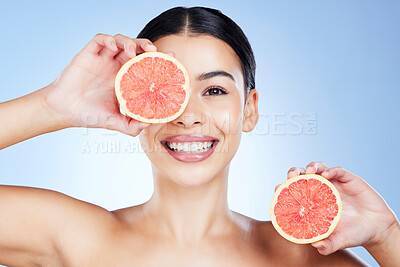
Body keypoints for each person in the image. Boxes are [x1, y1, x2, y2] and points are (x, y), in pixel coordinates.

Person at [0, 6, 398, 266]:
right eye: (167, 92)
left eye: (214, 91)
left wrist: (386, 237)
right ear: (132, 100)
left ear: (250, 109)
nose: (189, 117)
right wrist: (54, 105)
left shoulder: (301, 256)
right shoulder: (75, 239)